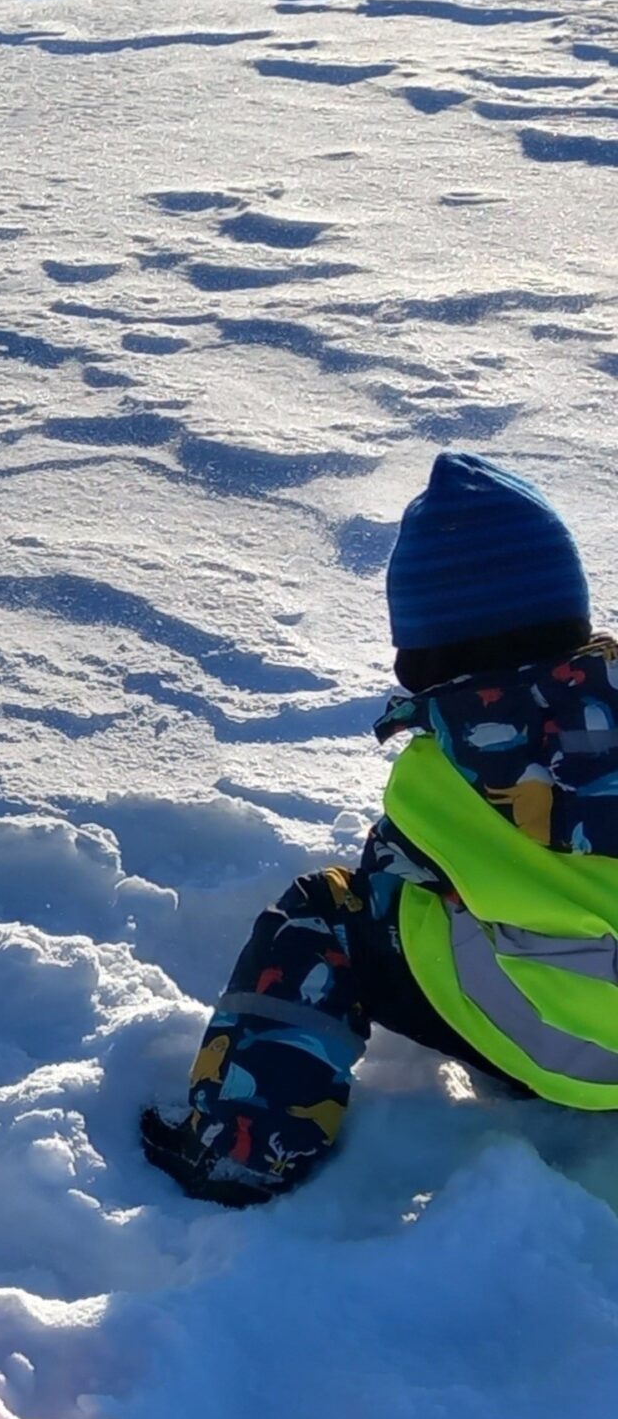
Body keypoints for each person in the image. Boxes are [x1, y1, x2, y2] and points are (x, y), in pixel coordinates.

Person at [143, 451, 611, 1206]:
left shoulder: (439, 775)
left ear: (419, 652)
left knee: (331, 912)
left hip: (564, 1046)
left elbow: (392, 875)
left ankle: (243, 1145)